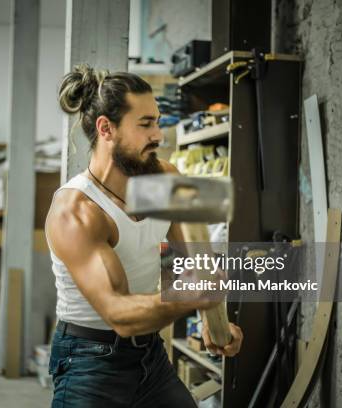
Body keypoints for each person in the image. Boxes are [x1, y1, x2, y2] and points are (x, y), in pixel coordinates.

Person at [45, 64, 243, 407]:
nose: (159, 136)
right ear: (106, 129)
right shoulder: (79, 210)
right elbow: (119, 314)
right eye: (145, 124)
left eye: (158, 121)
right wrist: (190, 299)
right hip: (90, 361)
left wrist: (212, 320)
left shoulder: (162, 178)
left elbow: (191, 258)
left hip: (150, 354)